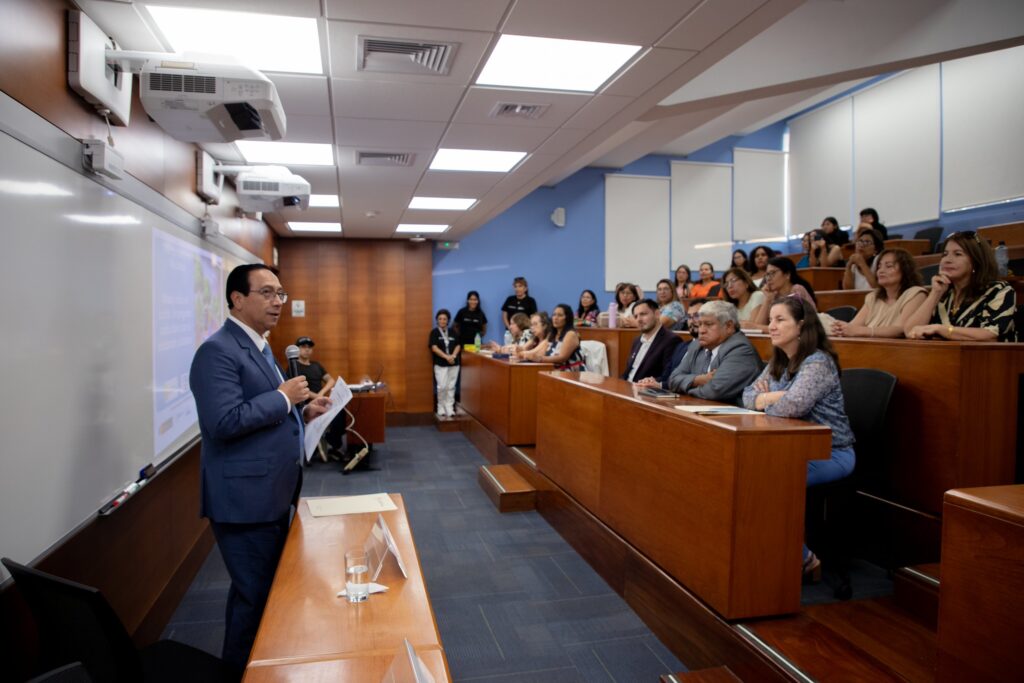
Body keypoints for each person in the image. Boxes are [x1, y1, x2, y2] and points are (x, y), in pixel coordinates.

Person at [189, 264, 332, 676]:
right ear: (237, 298)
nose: (277, 302)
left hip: (271, 492)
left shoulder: (261, 346)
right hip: (244, 500)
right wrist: (285, 398)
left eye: (280, 293)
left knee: (258, 593)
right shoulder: (216, 351)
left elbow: (264, 410)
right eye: (267, 293)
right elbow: (223, 421)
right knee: (256, 598)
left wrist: (303, 410)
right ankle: (240, 673)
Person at [742, 297, 855, 579]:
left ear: (802, 326)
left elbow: (793, 406)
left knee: (763, 482)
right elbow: (747, 396)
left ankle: (805, 560)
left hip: (830, 453)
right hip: (787, 448)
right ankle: (764, 553)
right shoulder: (779, 360)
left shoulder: (818, 362)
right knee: (743, 472)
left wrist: (766, 398)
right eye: (770, 319)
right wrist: (774, 397)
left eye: (780, 320)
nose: (771, 326)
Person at [904, 231, 1017, 342]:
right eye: (945, 254)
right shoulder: (944, 294)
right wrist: (935, 293)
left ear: (976, 261)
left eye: (958, 254)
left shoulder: (999, 290)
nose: (947, 260)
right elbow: (910, 331)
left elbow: (991, 334)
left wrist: (942, 330)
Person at [659, 300, 762, 404]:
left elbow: (714, 391)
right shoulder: (697, 345)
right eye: (700, 324)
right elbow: (672, 380)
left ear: (729, 326)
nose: (701, 330)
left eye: (708, 324)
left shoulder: (741, 349)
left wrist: (685, 388)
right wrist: (698, 380)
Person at [830, 249, 927, 338]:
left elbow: (901, 329)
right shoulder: (873, 297)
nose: (881, 271)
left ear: (905, 270)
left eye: (889, 266)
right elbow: (853, 326)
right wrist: (840, 328)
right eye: (879, 266)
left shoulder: (916, 293)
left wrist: (863, 331)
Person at [291, 336, 341, 452]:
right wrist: (317, 396)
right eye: (303, 347)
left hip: (320, 399)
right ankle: (326, 442)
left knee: (340, 412)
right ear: (298, 349)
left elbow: (331, 380)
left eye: (309, 347)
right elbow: (297, 387)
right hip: (305, 404)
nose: (307, 349)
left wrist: (321, 393)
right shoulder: (294, 367)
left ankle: (333, 444)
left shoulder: (316, 365)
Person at [620, 298, 682, 383]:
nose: (639, 319)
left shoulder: (671, 340)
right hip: (626, 386)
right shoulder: (637, 340)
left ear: (657, 314)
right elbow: (627, 373)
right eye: (636, 316)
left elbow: (668, 377)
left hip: (646, 389)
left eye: (643, 314)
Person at [752, 257, 818, 328]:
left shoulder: (797, 290)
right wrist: (767, 299)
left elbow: (793, 328)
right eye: (767, 275)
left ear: (787, 274)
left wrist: (760, 327)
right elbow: (758, 327)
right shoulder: (773, 295)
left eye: (772, 273)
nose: (768, 279)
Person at [429, 309, 460, 418]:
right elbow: (434, 348)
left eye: (445, 319)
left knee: (451, 386)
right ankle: (440, 407)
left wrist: (453, 356)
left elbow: (458, 345)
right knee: (442, 387)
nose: (442, 321)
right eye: (440, 319)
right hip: (440, 364)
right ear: (437, 320)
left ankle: (449, 407)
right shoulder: (434, 332)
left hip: (454, 363)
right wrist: (447, 357)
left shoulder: (453, 332)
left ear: (448, 320)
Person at [541, 304, 586, 371]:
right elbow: (540, 350)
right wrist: (527, 354)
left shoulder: (571, 334)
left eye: (560, 315)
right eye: (554, 315)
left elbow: (562, 358)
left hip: (571, 371)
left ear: (567, 318)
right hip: (554, 370)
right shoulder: (552, 334)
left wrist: (540, 359)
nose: (555, 318)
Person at [842, 226, 883, 290]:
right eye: (860, 241)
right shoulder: (854, 264)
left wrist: (862, 263)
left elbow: (877, 288)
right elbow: (847, 290)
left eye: (867, 242)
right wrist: (848, 266)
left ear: (876, 250)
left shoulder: (879, 261)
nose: (861, 245)